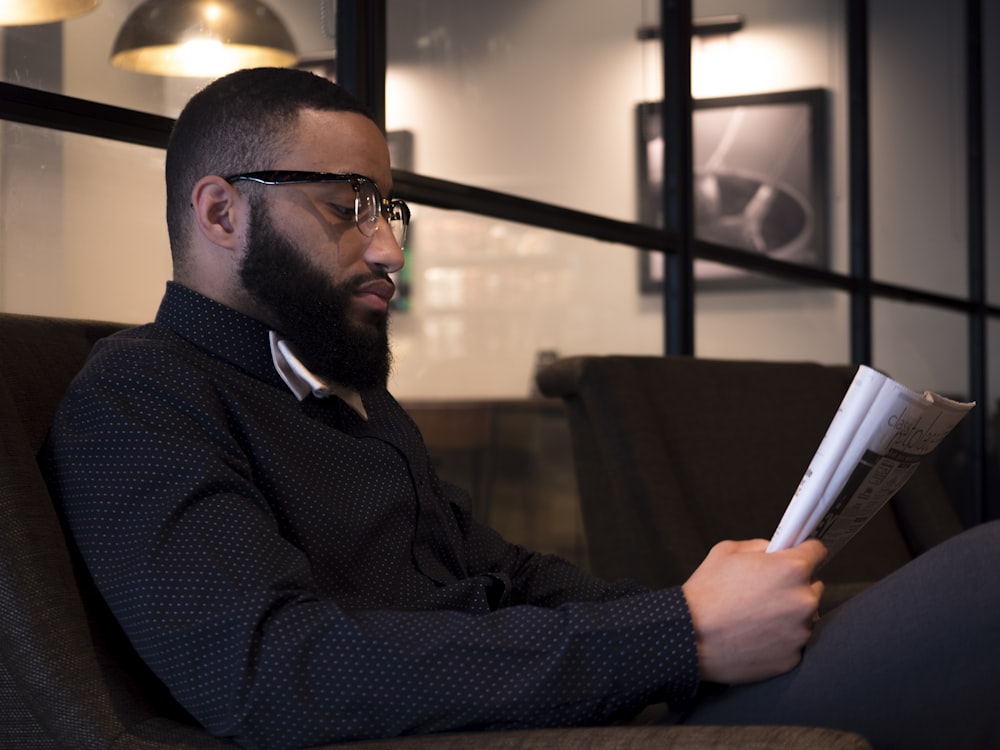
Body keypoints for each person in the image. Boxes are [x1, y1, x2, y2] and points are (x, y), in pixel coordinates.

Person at [42, 67, 999, 750]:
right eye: (347, 209)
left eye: (390, 213)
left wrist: (691, 611)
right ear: (219, 213)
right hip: (497, 729)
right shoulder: (142, 395)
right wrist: (676, 637)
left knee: (910, 603)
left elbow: (508, 574)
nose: (389, 253)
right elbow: (274, 671)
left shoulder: (347, 398)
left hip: (567, 700)